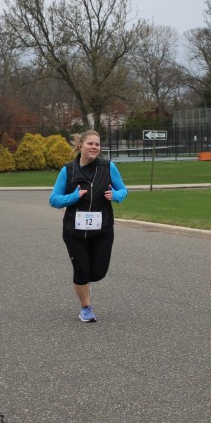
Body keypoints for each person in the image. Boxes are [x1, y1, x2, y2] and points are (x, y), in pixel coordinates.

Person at [49, 130, 128, 322]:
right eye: (90, 143)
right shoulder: (68, 170)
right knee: (81, 270)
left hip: (102, 230)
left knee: (98, 272)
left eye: (97, 144)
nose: (94, 147)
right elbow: (54, 199)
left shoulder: (108, 167)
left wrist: (116, 196)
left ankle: (85, 285)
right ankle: (86, 307)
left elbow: (123, 190)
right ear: (80, 146)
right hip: (74, 231)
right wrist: (73, 197)